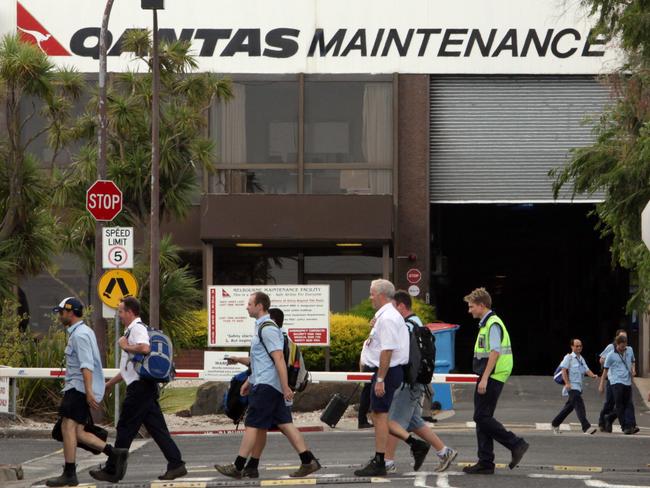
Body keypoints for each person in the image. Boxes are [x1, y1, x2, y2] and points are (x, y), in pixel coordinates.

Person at [215, 293, 321, 479]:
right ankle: (308, 461)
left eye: (249, 304)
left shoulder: (268, 328)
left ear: (260, 306)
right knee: (284, 424)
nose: (246, 307)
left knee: (252, 425)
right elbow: (261, 360)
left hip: (267, 386)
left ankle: (238, 466)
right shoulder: (261, 328)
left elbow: (278, 358)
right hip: (266, 383)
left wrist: (285, 386)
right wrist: (249, 378)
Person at [90, 297, 187, 483]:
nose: (119, 315)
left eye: (120, 311)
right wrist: (110, 384)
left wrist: (125, 346)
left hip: (140, 389)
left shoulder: (137, 328)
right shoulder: (132, 329)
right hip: (143, 386)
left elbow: (144, 348)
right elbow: (130, 367)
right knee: (157, 429)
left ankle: (112, 470)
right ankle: (176, 464)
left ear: (130, 312)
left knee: (125, 427)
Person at [46, 297, 128, 487]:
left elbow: (86, 365)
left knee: (67, 427)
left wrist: (89, 391)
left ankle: (69, 473)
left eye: (61, 312)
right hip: (79, 388)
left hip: (78, 388)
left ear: (70, 312)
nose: (59, 316)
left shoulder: (80, 335)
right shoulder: (84, 331)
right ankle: (115, 453)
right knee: (78, 432)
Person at [384, 291, 458, 474]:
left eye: (393, 307)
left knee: (393, 421)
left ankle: (387, 462)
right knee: (413, 421)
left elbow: (397, 351)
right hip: (417, 381)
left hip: (407, 382)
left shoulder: (407, 326)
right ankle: (444, 452)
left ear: (401, 306)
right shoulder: (416, 323)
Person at [463, 288, 528, 475]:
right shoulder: (487, 324)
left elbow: (495, 352)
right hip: (490, 375)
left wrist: (484, 378)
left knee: (481, 417)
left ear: (482, 305)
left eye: (471, 306)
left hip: (492, 376)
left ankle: (516, 444)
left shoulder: (492, 324)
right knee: (482, 418)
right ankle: (485, 462)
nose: (470, 310)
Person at [354, 279, 410, 477]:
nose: (370, 297)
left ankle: (381, 460)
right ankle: (383, 457)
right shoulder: (386, 316)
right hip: (385, 371)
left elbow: (387, 350)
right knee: (379, 415)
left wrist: (380, 379)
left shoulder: (387, 318)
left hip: (385, 371)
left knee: (380, 415)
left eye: (372, 293)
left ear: (382, 295)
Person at [550, 338, 598, 435]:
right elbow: (563, 370)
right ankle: (586, 427)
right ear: (572, 347)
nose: (579, 347)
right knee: (580, 405)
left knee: (569, 407)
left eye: (580, 346)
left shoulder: (581, 359)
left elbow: (586, 369)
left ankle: (555, 423)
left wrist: (593, 375)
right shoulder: (569, 357)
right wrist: (567, 383)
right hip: (572, 387)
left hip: (579, 387)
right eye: (577, 346)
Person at [599, 334, 638, 434]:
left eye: (624, 346)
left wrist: (633, 370)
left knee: (629, 404)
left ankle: (630, 425)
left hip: (627, 381)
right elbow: (605, 370)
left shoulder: (629, 350)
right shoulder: (611, 355)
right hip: (616, 382)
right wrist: (601, 384)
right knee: (619, 405)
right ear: (617, 344)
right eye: (621, 347)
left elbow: (633, 361)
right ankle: (625, 426)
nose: (623, 349)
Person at [597, 329, 627, 432]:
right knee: (610, 403)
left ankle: (609, 419)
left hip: (623, 380)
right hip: (612, 379)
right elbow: (601, 359)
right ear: (616, 338)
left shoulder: (627, 349)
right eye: (622, 337)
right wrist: (609, 361)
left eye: (625, 338)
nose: (624, 339)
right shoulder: (611, 347)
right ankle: (602, 421)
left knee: (622, 404)